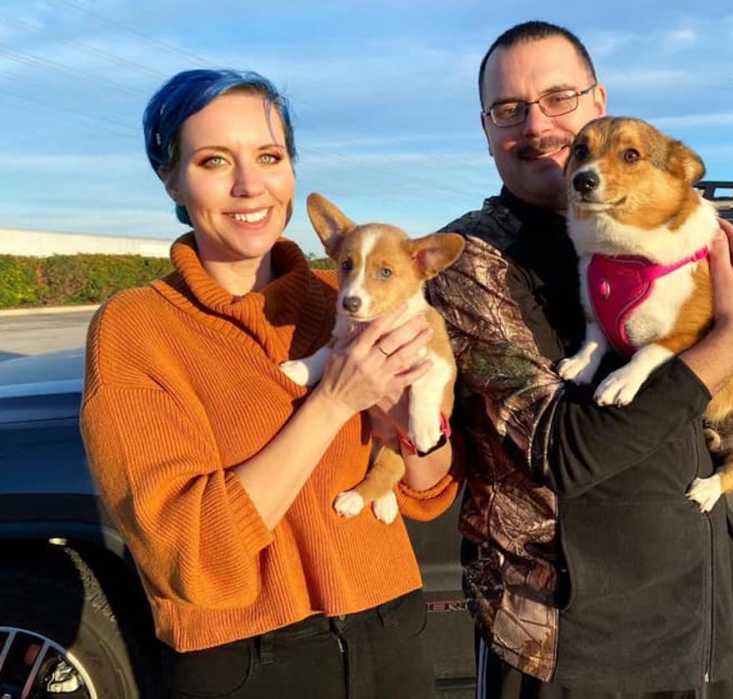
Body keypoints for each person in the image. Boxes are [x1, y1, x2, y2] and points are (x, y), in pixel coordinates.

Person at [427, 21, 733, 699]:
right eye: (509, 109)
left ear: (599, 103)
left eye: (560, 98)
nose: (538, 125)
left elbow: (722, 413)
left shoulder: (677, 240)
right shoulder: (472, 263)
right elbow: (558, 453)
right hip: (571, 649)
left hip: (707, 625)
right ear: (486, 128)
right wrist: (726, 339)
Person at [80, 68, 459, 699]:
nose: (249, 184)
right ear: (170, 177)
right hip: (248, 665)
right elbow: (189, 558)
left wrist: (419, 419)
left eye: (269, 156)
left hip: (392, 631)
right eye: (213, 160)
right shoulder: (134, 329)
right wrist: (334, 401)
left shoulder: (343, 299)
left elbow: (428, 491)